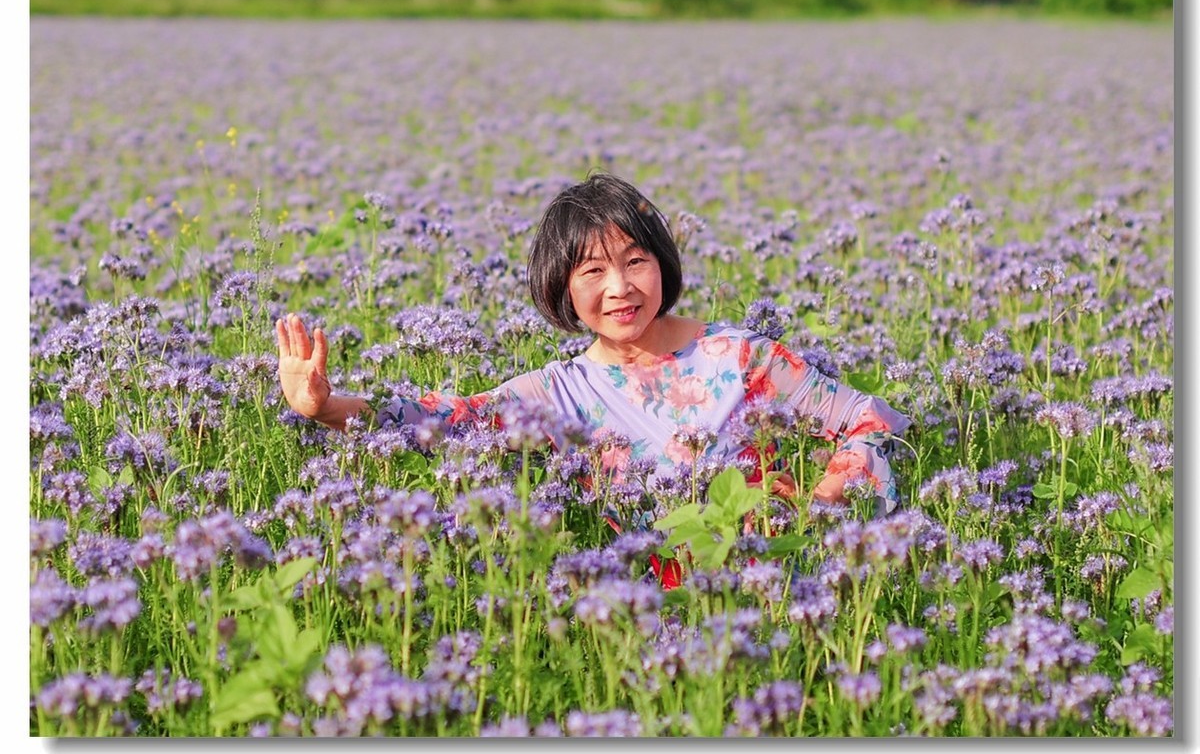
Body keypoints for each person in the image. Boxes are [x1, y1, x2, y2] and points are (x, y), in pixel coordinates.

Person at [277, 172, 911, 582]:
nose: (620, 289)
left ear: (662, 263)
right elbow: (438, 423)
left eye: (636, 262)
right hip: (651, 621)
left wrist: (824, 506)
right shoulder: (556, 396)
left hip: (780, 595)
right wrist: (326, 406)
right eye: (591, 273)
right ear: (562, 289)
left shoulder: (739, 358)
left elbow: (873, 421)